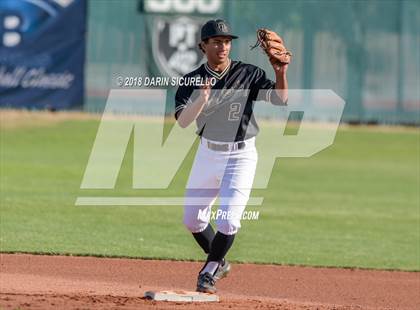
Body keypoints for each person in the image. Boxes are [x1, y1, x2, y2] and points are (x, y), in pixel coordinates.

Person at [174, 19, 289, 294]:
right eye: (216, 41)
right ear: (203, 46)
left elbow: (280, 99)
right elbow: (182, 121)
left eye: (227, 41)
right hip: (207, 153)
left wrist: (281, 72)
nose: (223, 46)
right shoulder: (191, 80)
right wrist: (200, 101)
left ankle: (209, 271)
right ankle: (220, 260)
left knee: (228, 219)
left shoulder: (248, 73)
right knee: (193, 220)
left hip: (241, 155)